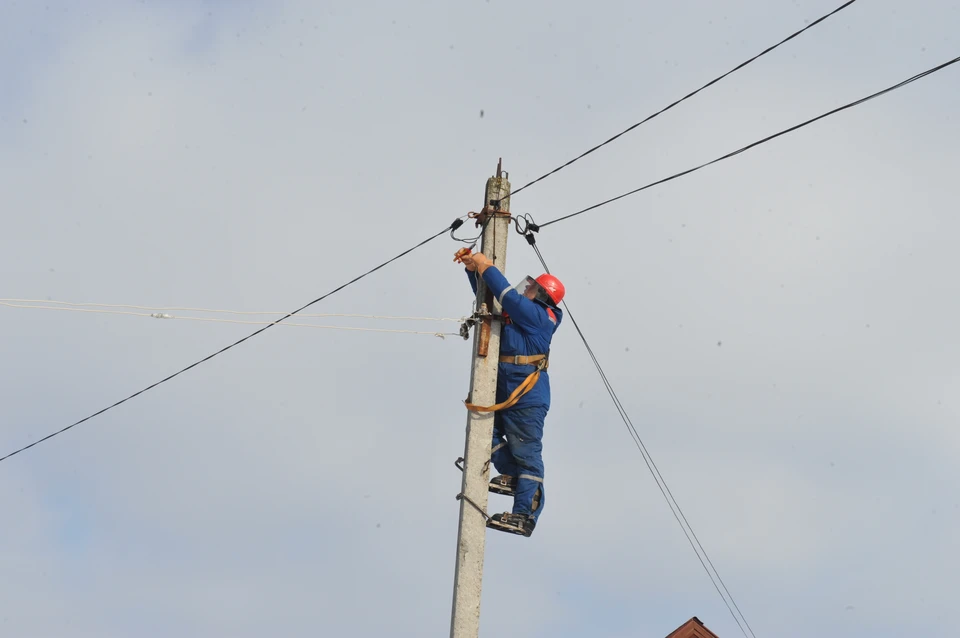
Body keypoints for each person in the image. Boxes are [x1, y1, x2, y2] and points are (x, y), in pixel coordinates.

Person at [455, 247, 564, 537]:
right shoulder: (523, 313)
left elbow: (506, 297)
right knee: (482, 435)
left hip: (526, 398)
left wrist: (485, 265)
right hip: (504, 391)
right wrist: (473, 270)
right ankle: (514, 477)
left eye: (532, 287)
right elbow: (492, 297)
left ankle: (524, 515)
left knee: (527, 453)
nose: (526, 288)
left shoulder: (541, 316)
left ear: (542, 296)